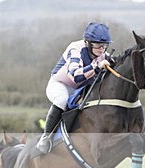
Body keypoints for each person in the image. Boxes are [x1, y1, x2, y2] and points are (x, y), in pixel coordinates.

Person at [36, 22, 113, 154]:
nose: (102, 49)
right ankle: (46, 137)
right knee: (62, 100)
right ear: (88, 42)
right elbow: (76, 76)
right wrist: (96, 67)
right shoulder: (76, 48)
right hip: (60, 84)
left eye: (105, 46)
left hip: (80, 88)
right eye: (98, 45)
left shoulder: (102, 54)